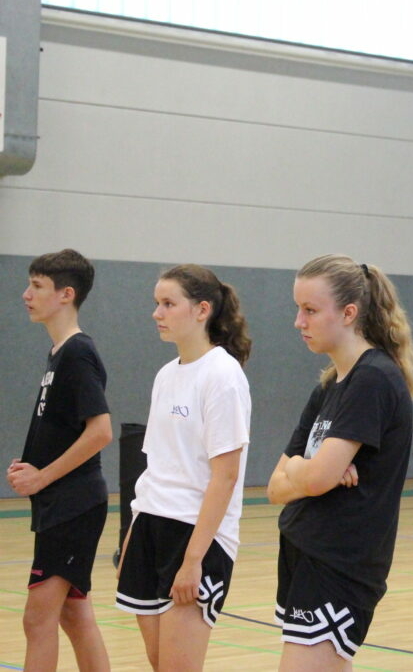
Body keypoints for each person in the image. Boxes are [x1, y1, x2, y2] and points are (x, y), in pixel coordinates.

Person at [267, 255, 413, 672]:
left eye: (311, 310)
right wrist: (310, 471)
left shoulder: (373, 379)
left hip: (339, 562)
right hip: (304, 551)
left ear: (349, 313)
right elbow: (275, 488)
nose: (299, 321)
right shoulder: (330, 385)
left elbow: (315, 478)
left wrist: (309, 471)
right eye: (298, 309)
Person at [114, 264, 252, 672]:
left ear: (202, 310)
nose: (157, 313)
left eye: (168, 304)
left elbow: (225, 476)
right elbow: (155, 467)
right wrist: (132, 535)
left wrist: (193, 560)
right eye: (157, 303)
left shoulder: (223, 375)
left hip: (196, 536)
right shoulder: (165, 375)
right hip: (150, 528)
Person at [7, 249, 112, 672]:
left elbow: (100, 431)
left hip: (74, 505)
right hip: (62, 504)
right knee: (73, 613)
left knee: (38, 619)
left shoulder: (77, 352)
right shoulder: (58, 353)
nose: (26, 294)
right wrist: (31, 464)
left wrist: (42, 477)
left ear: (66, 294)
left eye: (37, 286)